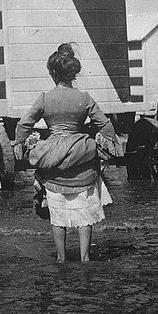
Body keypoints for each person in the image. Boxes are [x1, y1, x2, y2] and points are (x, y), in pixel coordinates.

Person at [13, 43, 122, 263]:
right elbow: (105, 124)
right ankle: (85, 257)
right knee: (84, 213)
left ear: (53, 73)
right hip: (82, 155)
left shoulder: (45, 98)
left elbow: (24, 125)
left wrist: (19, 143)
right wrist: (113, 144)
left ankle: (61, 259)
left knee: (58, 213)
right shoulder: (84, 97)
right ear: (73, 74)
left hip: (53, 158)